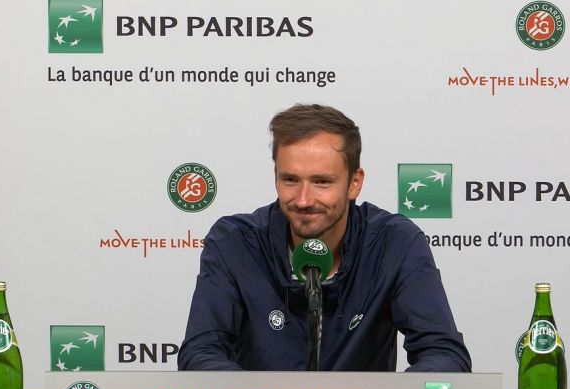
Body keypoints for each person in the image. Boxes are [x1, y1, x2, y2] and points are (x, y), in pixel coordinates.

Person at [178, 104, 471, 372]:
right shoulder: (235, 242)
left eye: (322, 182)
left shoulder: (394, 242)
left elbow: (445, 355)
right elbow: (200, 354)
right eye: (290, 180)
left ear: (354, 183)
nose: (304, 200)